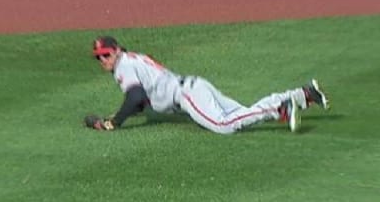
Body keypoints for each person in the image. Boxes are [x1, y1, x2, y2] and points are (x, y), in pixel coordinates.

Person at [83, 36, 329, 134]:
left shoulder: (124, 66)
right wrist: (117, 115)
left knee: (224, 126)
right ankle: (303, 95)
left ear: (116, 50)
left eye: (106, 54)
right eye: (98, 57)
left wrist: (113, 123)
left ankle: (279, 108)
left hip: (186, 95)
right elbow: (139, 101)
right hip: (194, 86)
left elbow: (136, 97)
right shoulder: (132, 59)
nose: (103, 59)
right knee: (240, 113)